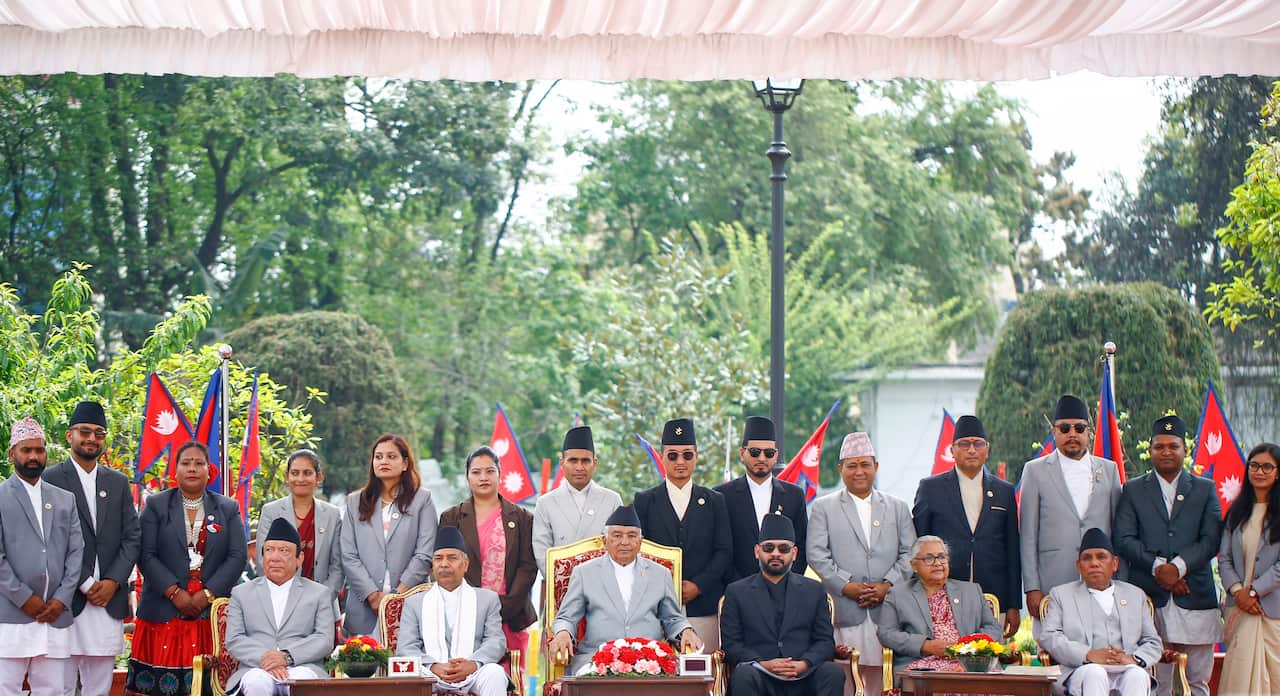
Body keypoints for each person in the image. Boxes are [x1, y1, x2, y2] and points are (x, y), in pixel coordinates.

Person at [1113, 415, 1221, 696]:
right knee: (1154, 682)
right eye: (1159, 446)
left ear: (1184, 449)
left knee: (1197, 682)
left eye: (1173, 446)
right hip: (1150, 597)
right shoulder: (1133, 489)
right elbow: (1123, 539)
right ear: (1150, 450)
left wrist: (1179, 568)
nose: (1166, 452)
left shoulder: (1205, 488)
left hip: (1195, 595)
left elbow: (1211, 539)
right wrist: (1160, 568)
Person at [128, 441, 247, 696]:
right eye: (185, 463)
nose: (192, 468)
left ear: (208, 470)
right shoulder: (156, 505)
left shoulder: (227, 508)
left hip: (210, 614)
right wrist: (174, 592)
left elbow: (237, 556)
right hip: (163, 610)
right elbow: (146, 555)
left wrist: (207, 594)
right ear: (176, 470)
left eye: (198, 463)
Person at [42, 401, 140, 696]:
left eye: (99, 433)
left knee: (99, 686)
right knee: (60, 684)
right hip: (68, 597)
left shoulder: (118, 482)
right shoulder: (50, 479)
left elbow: (132, 537)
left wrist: (112, 581)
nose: (91, 439)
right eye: (85, 431)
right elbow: (49, 540)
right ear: (69, 435)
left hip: (107, 600)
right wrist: (86, 582)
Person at [807, 432, 915, 692]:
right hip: (845, 606)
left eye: (865, 464)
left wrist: (886, 585)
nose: (859, 472)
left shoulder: (897, 507)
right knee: (844, 675)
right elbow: (816, 554)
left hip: (888, 606)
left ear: (875, 467)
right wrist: (847, 585)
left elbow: (911, 553)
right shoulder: (824, 507)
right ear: (840, 469)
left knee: (884, 677)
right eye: (852, 465)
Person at [548, 506, 701, 675]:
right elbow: (567, 616)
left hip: (649, 661)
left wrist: (686, 630)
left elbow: (673, 617)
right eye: (617, 535)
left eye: (632, 536)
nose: (625, 542)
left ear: (640, 541)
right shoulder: (584, 572)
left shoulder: (660, 573)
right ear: (605, 540)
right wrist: (562, 633)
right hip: (596, 659)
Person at [911, 415, 1021, 638]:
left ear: (987, 449)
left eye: (978, 443)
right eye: (964, 444)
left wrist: (1013, 604)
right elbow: (918, 542)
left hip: (993, 594)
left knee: (988, 659)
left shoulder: (1004, 491)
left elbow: (1012, 549)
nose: (972, 450)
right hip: (941, 590)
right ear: (952, 450)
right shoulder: (931, 488)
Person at [1020, 395, 1122, 626]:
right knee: (1054, 651)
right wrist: (1032, 587)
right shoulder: (1035, 471)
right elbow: (1027, 535)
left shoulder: (1108, 470)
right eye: (1065, 428)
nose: (1072, 434)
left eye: (1079, 428)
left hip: (1102, 581)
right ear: (1054, 431)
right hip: (1053, 582)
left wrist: (1120, 579)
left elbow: (1117, 529)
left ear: (1089, 432)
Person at [0, 418, 83, 696]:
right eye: (26, 450)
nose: (34, 456)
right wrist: (25, 598)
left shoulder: (64, 498)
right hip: (11, 616)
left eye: (39, 450)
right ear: (12, 454)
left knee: (53, 690)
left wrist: (61, 599)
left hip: (54, 615)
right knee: (5, 689)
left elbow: (76, 553)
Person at [633, 417, 732, 650]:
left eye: (687, 455)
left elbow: (724, 552)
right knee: (658, 673)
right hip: (655, 607)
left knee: (701, 672)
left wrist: (698, 585)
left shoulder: (714, 501)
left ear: (696, 457)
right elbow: (638, 552)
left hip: (703, 606)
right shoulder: (645, 501)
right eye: (673, 455)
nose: (680, 461)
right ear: (662, 456)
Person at [721, 514, 844, 696]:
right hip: (760, 673)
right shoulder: (737, 592)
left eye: (783, 548)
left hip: (804, 674)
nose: (776, 554)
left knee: (832, 672)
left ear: (794, 553)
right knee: (743, 675)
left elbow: (824, 641)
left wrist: (804, 663)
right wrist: (763, 664)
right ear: (757, 551)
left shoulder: (814, 590)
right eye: (769, 548)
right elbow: (732, 644)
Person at [438, 446, 537, 659]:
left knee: (509, 682)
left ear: (500, 475)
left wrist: (505, 607)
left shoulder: (522, 518)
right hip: (462, 616)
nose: (483, 477)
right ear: (467, 477)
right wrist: (469, 607)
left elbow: (527, 566)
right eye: (476, 472)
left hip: (510, 614)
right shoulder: (452, 517)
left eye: (490, 471)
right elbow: (443, 565)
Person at [1040, 528, 1161, 696]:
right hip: (1081, 670)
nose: (1094, 563)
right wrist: (1088, 654)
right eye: (1087, 558)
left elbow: (1153, 641)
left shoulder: (1135, 595)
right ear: (1079, 566)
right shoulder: (1061, 595)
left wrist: (1134, 659)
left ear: (1115, 563)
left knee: (1137, 675)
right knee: (1095, 672)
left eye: (1101, 557)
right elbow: (1049, 636)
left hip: (1125, 668)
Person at [340, 433, 437, 636]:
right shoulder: (355, 502)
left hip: (411, 602)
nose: (383, 461)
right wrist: (373, 596)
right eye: (379, 456)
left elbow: (425, 553)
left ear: (405, 463)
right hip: (364, 606)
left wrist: (397, 597)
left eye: (391, 456)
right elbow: (348, 555)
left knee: (409, 665)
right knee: (364, 664)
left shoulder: (422, 500)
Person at [225, 519, 336, 695]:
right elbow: (234, 639)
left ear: (299, 558)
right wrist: (265, 658)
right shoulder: (241, 593)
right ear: (262, 557)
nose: (275, 557)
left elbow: (324, 639)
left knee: (300, 682)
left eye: (283, 551)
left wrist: (286, 656)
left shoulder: (318, 593)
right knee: (257, 682)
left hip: (301, 666)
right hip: (256, 667)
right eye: (269, 550)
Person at [398, 526, 509, 695]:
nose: (444, 564)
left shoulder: (487, 599)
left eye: (452, 558)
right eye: (438, 558)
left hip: (473, 672)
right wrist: (434, 666)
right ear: (432, 566)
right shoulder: (414, 602)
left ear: (465, 564)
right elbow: (406, 647)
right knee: (408, 677)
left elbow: (496, 641)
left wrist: (472, 664)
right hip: (430, 673)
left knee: (495, 674)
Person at [877, 536, 1002, 680]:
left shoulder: (972, 590)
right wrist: (925, 645)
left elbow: (993, 627)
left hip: (971, 664)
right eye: (929, 559)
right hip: (923, 666)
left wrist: (969, 648)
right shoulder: (898, 594)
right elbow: (886, 633)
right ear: (913, 565)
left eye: (942, 557)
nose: (937, 563)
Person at [1217, 441, 1280, 693]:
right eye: (1254, 465)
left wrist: (1253, 592)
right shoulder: (1237, 512)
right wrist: (1237, 590)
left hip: (1272, 611)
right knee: (1239, 679)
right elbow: (1224, 558)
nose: (1260, 471)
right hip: (1239, 609)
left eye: (1267, 467)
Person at [716, 416, 808, 582]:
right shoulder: (722, 496)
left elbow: (800, 547)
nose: (762, 458)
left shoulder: (794, 495)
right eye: (755, 452)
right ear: (742, 453)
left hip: (785, 591)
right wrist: (741, 589)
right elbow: (720, 549)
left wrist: (783, 583)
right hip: (735, 591)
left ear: (776, 455)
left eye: (769, 453)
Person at [531, 426, 623, 575]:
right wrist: (563, 583)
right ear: (562, 463)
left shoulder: (612, 500)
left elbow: (620, 548)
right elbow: (542, 553)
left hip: (603, 588)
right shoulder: (546, 503)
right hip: (561, 589)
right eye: (573, 460)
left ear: (595, 463)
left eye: (585, 461)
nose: (579, 467)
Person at [256, 449, 343, 597]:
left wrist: (322, 599)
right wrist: (284, 597)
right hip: (280, 600)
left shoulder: (332, 514)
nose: (300, 479)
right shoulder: (271, 511)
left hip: (323, 603)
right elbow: (262, 559)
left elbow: (338, 565)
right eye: (295, 473)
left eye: (307, 473)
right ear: (287, 477)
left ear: (319, 477)